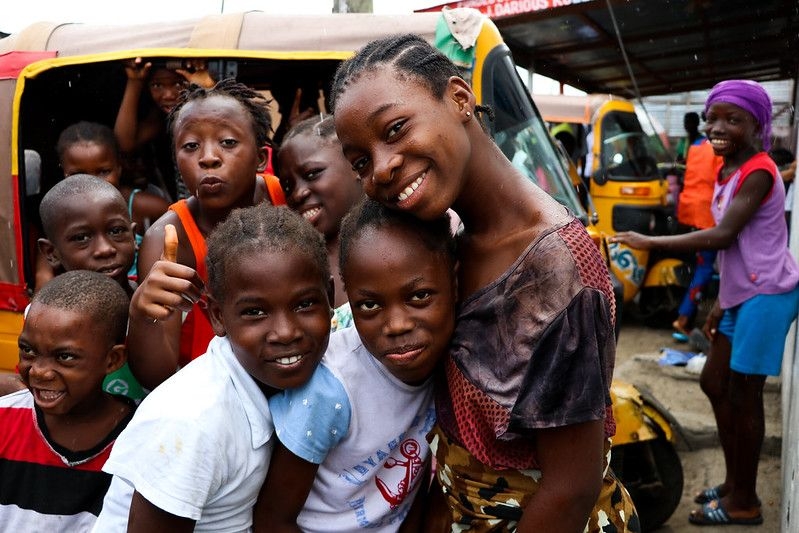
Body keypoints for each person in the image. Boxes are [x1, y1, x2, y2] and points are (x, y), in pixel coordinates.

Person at [331, 34, 639, 532]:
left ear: (458, 98)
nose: (382, 167)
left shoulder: (554, 270)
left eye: (396, 128)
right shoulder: (449, 236)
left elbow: (568, 490)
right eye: (361, 161)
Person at [612, 79, 799, 527]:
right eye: (714, 117)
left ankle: (744, 501)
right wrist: (719, 304)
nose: (718, 126)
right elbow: (732, 250)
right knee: (714, 383)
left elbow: (723, 236)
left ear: (757, 127)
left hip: (768, 294)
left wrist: (650, 241)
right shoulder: (727, 171)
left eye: (733, 120)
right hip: (741, 294)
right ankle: (736, 482)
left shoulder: (758, 170)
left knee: (743, 394)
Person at [92, 203, 332, 532]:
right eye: (255, 313)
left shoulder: (296, 374)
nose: (286, 332)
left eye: (304, 304)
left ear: (330, 297)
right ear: (217, 316)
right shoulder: (196, 421)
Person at [255, 198, 457, 532]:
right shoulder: (329, 392)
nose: (396, 325)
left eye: (419, 297)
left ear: (454, 281)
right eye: (370, 305)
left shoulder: (454, 360)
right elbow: (273, 519)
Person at [125, 78, 284, 391]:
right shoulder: (170, 238)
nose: (208, 157)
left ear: (261, 158)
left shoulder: (286, 196)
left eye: (227, 142)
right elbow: (157, 375)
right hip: (216, 391)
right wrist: (143, 312)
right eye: (191, 146)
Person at [0, 270, 135, 531]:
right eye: (28, 350)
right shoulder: (5, 420)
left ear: (113, 360)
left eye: (65, 357)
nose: (38, 371)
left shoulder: (138, 440)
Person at [56, 120, 170, 279]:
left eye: (103, 171)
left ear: (119, 168)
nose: (93, 182)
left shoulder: (144, 206)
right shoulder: (60, 211)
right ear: (64, 174)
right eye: (79, 174)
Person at [277, 113, 363, 312]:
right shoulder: (294, 263)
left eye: (312, 174)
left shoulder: (405, 235)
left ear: (355, 166)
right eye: (287, 186)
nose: (297, 194)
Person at [114, 57, 216, 201]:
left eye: (178, 83)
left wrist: (206, 90)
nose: (168, 95)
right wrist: (135, 81)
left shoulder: (206, 113)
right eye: (157, 85)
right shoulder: (159, 120)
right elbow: (124, 144)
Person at [671, 137, 724, 340]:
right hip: (708, 214)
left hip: (692, 212)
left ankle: (687, 317)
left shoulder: (697, 146)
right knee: (705, 268)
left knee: (701, 266)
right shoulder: (721, 150)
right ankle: (683, 319)